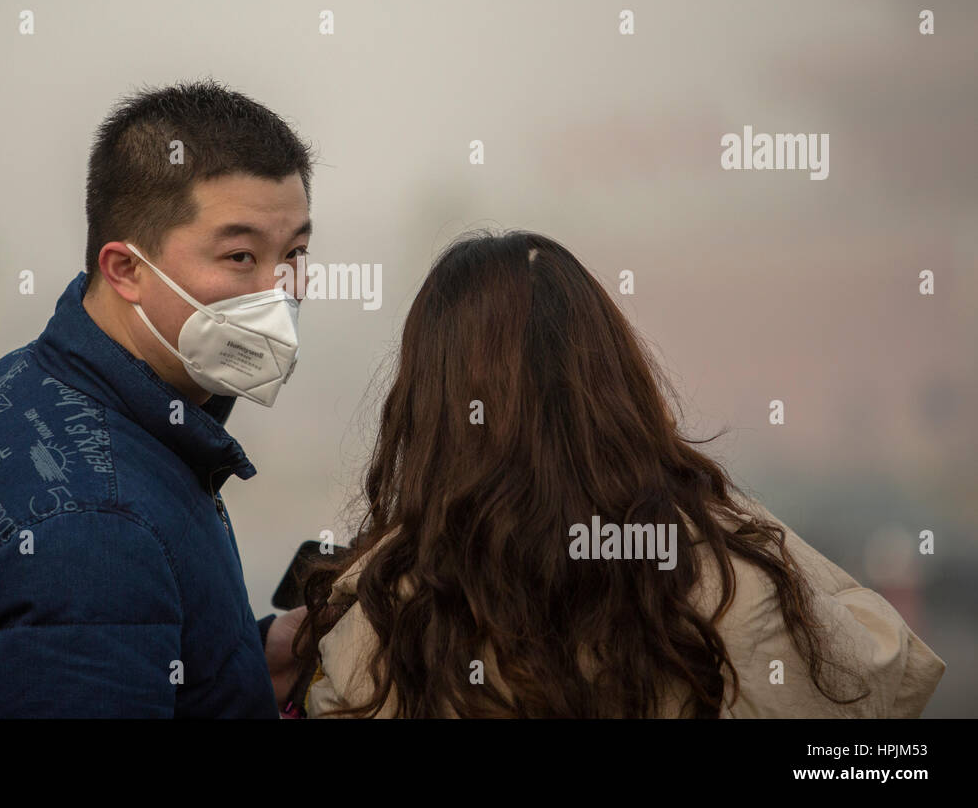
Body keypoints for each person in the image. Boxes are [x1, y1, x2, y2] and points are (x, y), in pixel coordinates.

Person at [290, 230, 947, 718]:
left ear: (427, 409)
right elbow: (881, 672)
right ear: (616, 383)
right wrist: (717, 507)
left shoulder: (385, 616)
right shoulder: (721, 576)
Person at [0, 79, 315, 717]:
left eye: (294, 253)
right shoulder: (94, 527)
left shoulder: (37, 384)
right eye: (240, 256)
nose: (278, 291)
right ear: (125, 268)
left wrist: (249, 661)